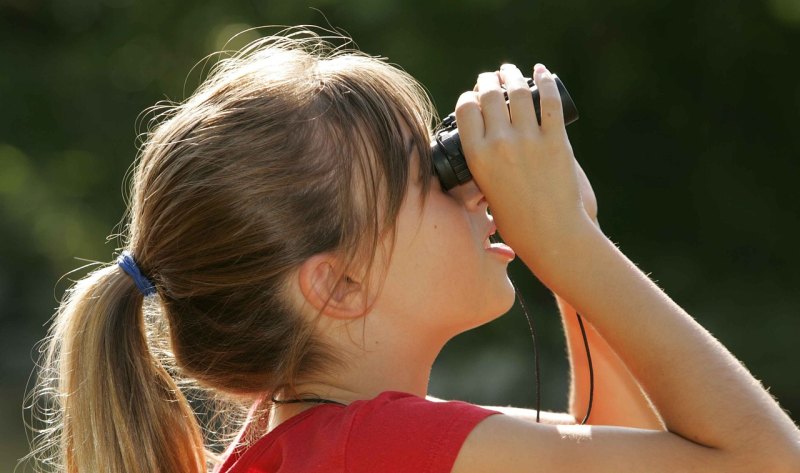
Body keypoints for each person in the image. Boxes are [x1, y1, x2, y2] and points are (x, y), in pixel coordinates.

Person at [28, 28, 799, 473]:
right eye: (426, 175)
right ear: (338, 284)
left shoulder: (312, 444)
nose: (470, 185)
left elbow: (629, 454)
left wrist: (575, 251)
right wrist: (568, 245)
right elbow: (766, 461)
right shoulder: (374, 447)